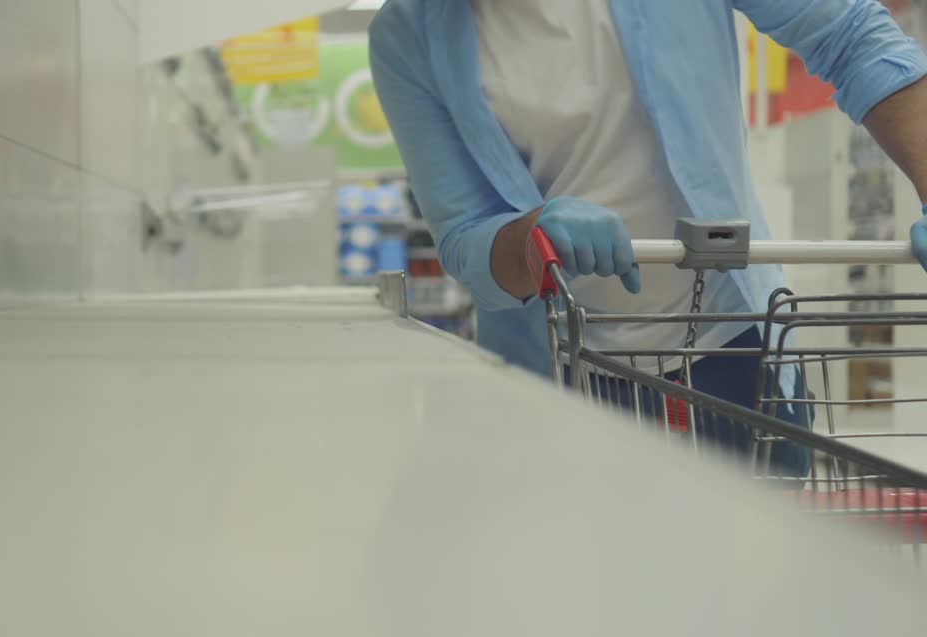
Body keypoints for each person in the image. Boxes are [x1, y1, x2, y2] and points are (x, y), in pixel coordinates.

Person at [369, 0, 927, 472]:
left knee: (760, 583)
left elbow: (850, 35)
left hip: (735, 349)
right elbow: (465, 237)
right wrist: (529, 239)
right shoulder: (409, 33)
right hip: (558, 377)